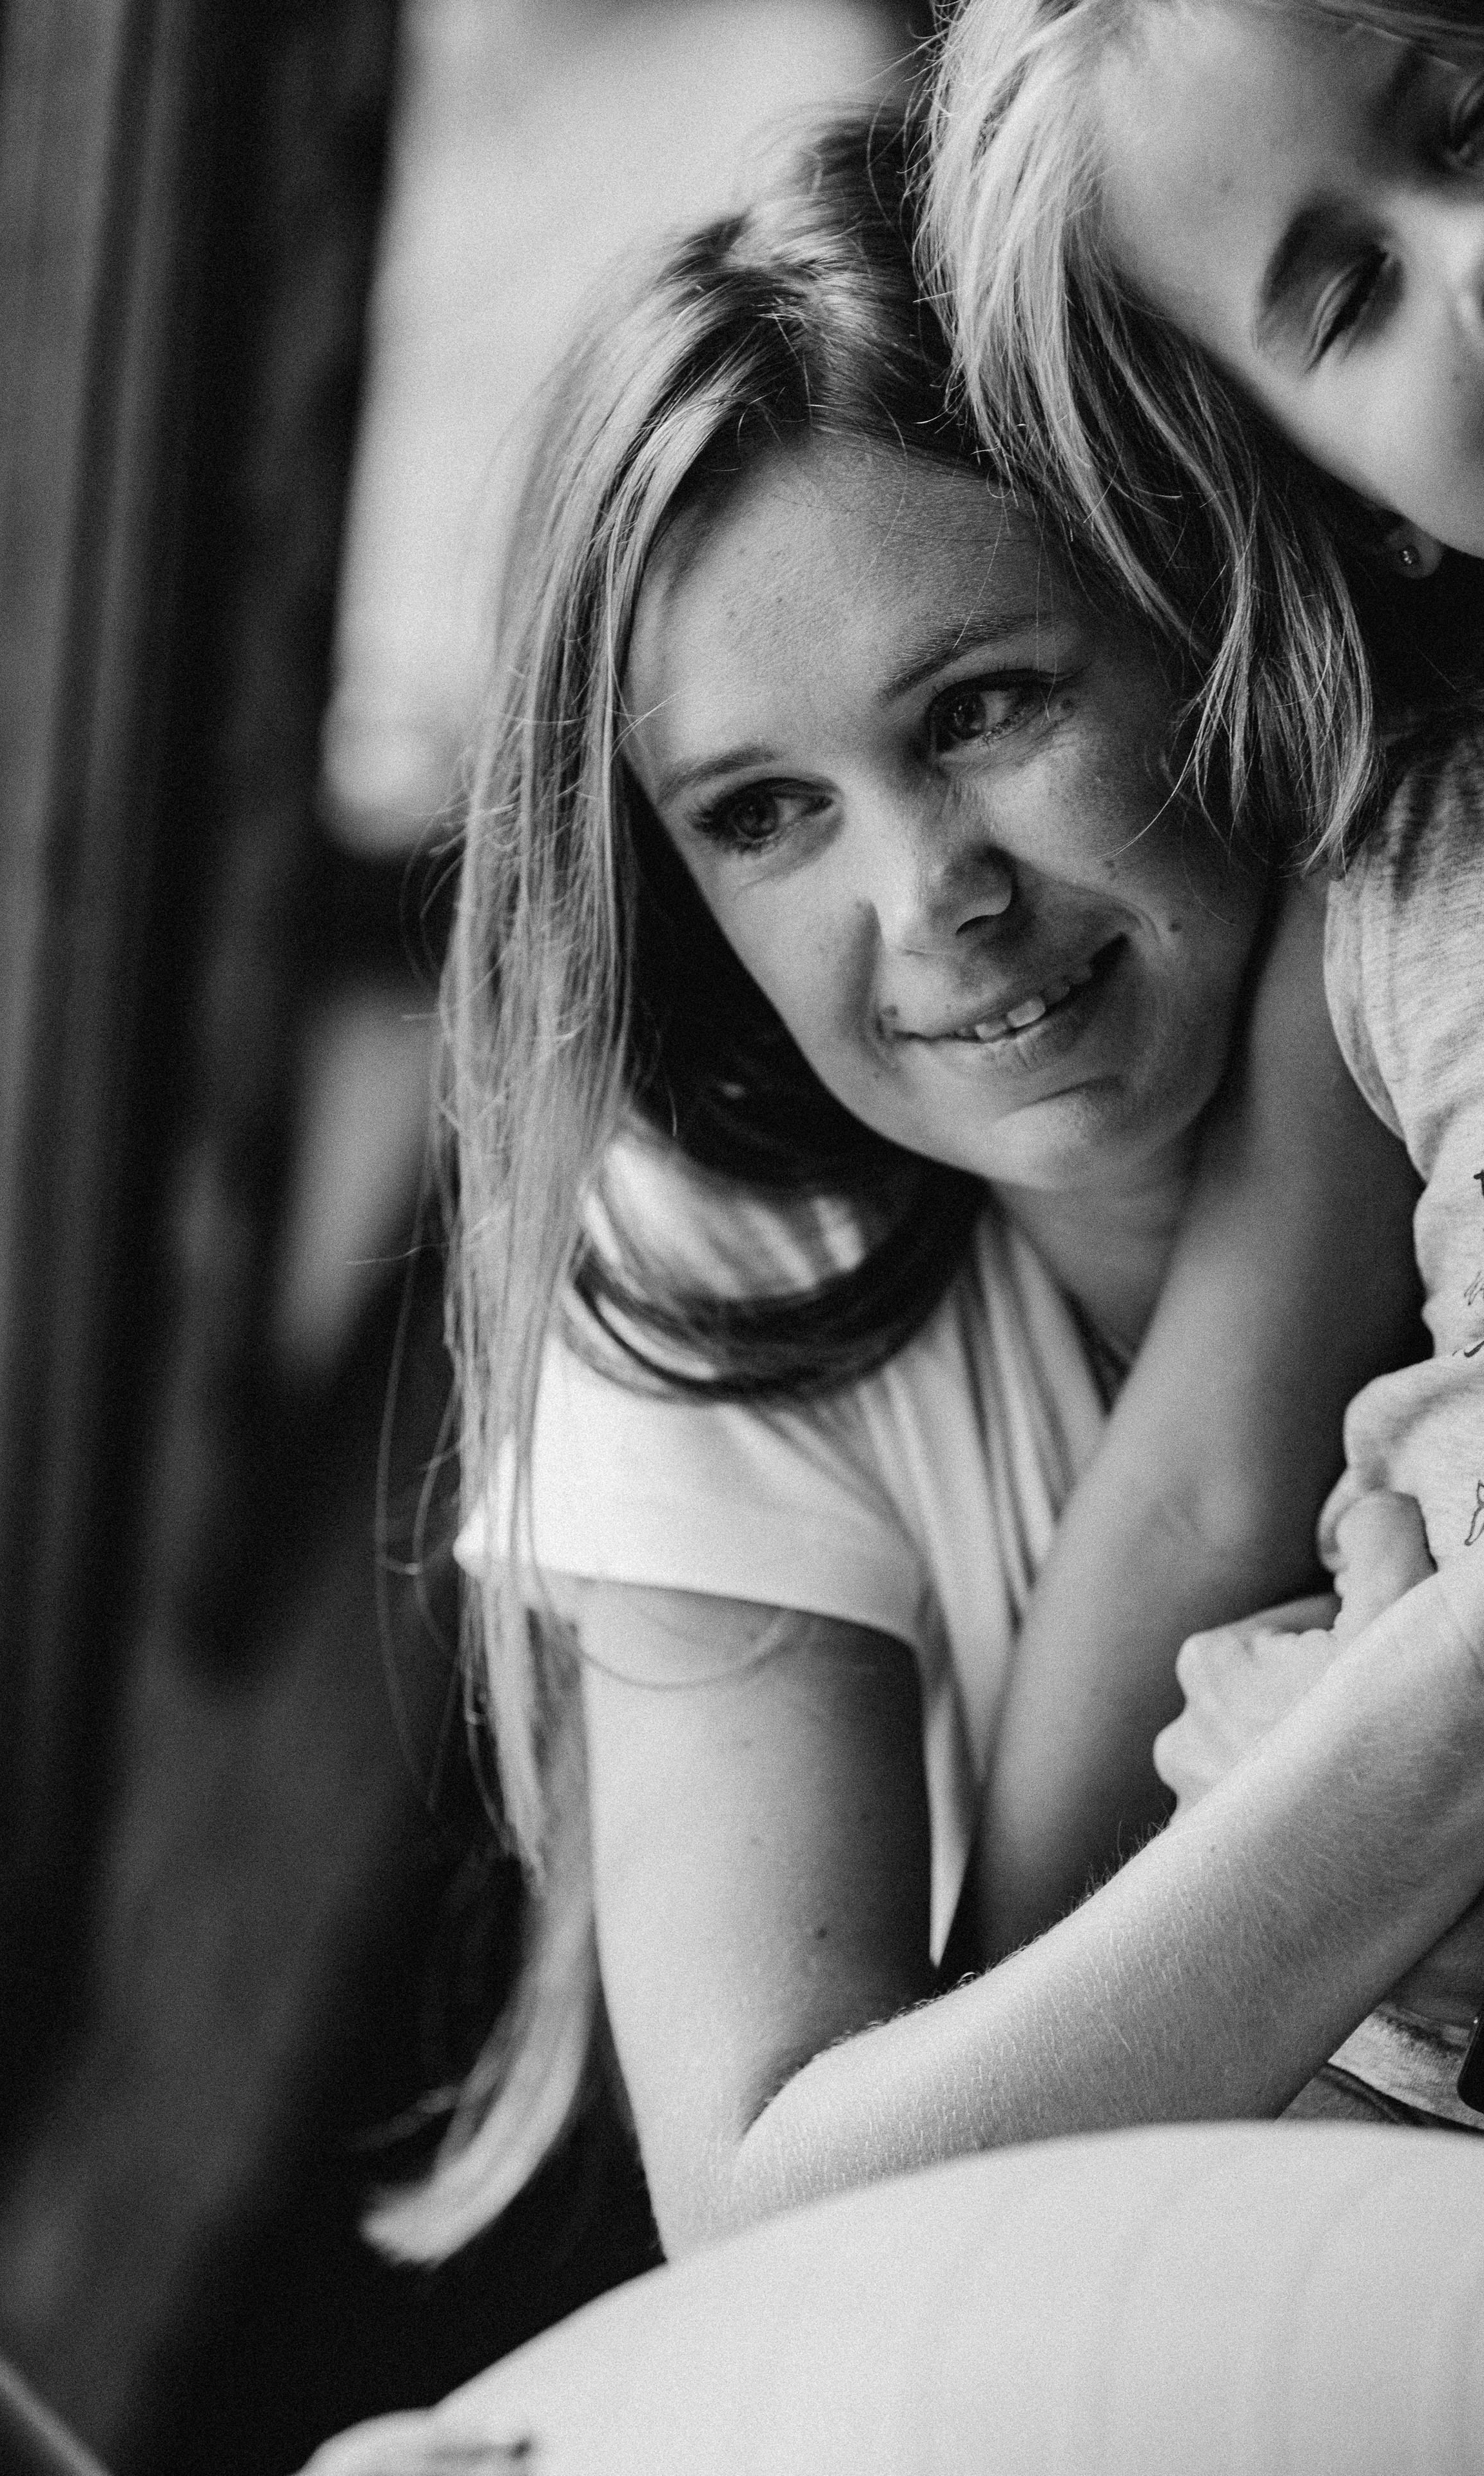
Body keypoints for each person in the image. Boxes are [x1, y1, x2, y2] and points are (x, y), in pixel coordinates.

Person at [364, 114, 1484, 2270]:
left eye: (986, 708)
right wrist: (1420, 1719)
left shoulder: (1428, 931)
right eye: (766, 814)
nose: (931, 900)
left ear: (1200, 604)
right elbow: (777, 2215)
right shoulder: (713, 1242)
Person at [924, 0, 1484, 2115]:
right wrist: (990, 1999)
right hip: (1379, 2010)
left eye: (1475, 117)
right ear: (1346, 495)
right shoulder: (1406, 863)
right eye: (1346, 297)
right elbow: (1198, 1486)